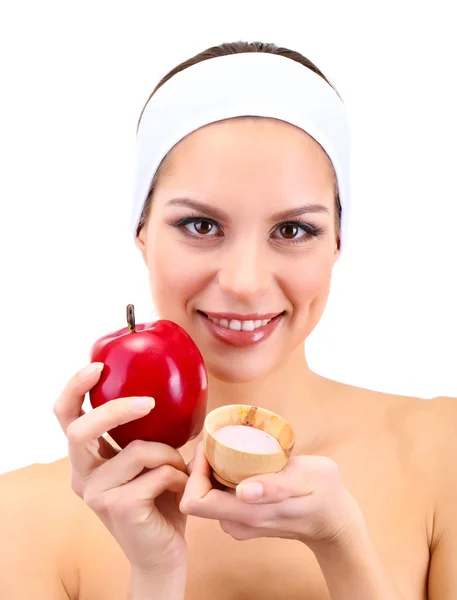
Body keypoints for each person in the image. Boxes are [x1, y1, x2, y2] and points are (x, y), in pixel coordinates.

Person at [0, 40, 456, 600]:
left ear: (337, 241)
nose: (245, 281)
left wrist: (344, 547)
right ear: (142, 234)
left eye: (292, 230)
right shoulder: (20, 519)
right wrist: (155, 577)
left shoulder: (445, 454)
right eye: (200, 225)